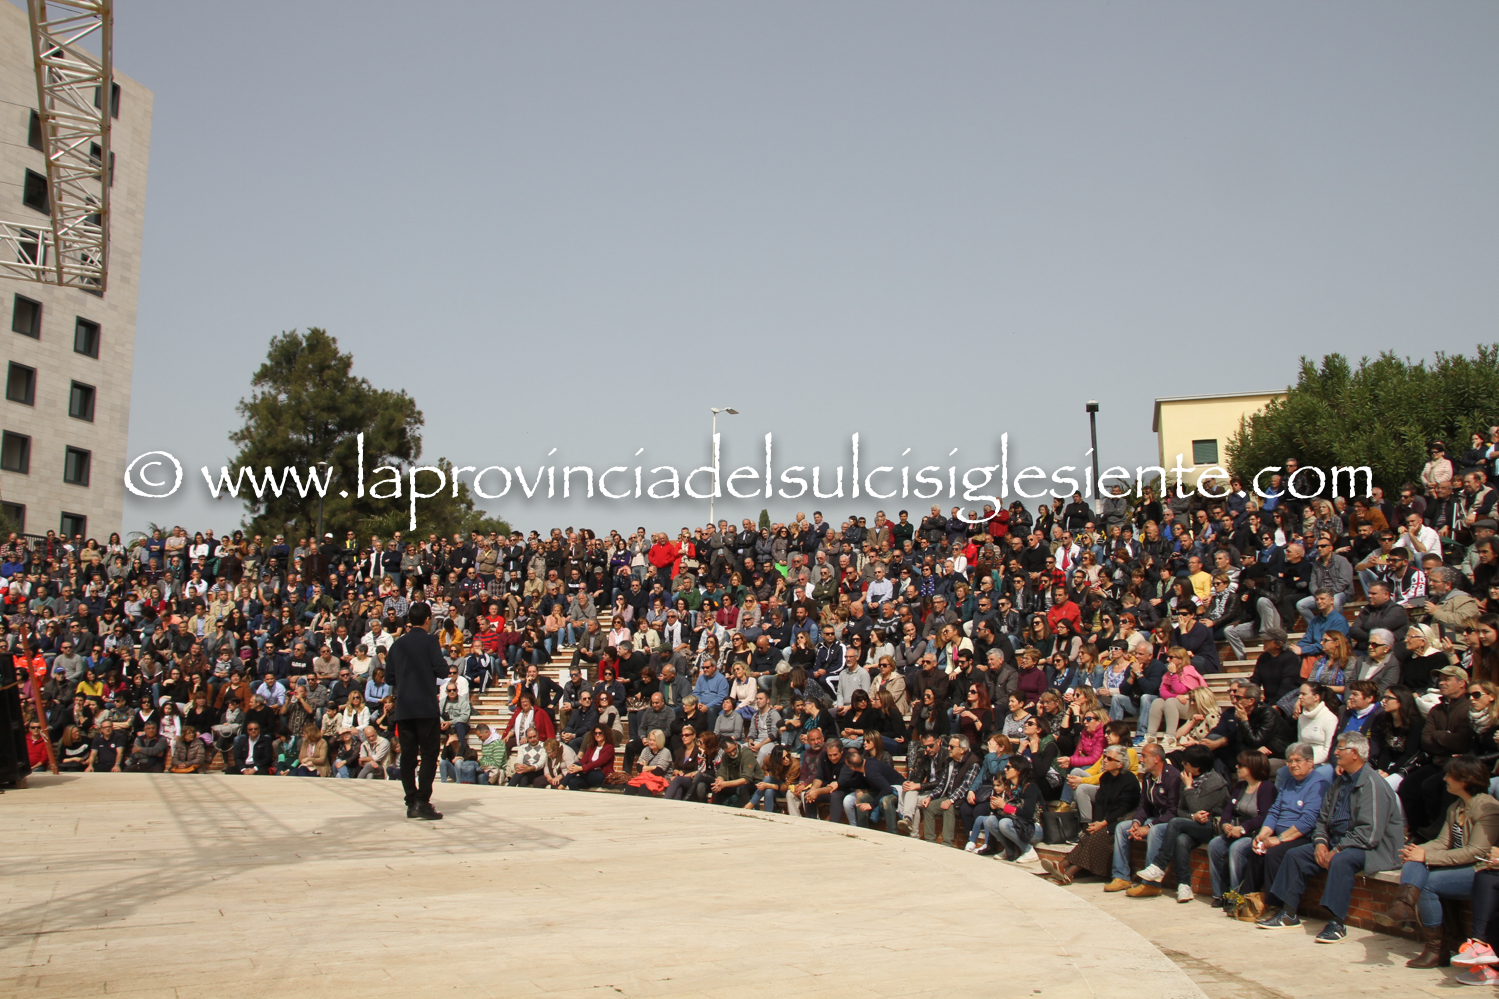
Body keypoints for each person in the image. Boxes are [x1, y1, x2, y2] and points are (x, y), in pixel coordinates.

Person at [1256, 732, 1405, 943]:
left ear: (1355, 753)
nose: (1335, 753)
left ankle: (1337, 923)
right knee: (1295, 855)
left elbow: (1369, 833)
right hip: (1337, 841)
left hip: (1371, 847)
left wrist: (1337, 849)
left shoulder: (1373, 784)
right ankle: (1288, 913)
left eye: (1340, 748)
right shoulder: (1340, 782)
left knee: (1341, 861)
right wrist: (1320, 843)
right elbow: (1322, 820)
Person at [1375, 755, 1499, 967]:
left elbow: (1476, 852)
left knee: (1427, 884)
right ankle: (1403, 905)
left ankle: (1436, 949)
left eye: (1450, 775)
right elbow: (1443, 842)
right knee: (1414, 861)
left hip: (1479, 871)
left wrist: (1426, 855)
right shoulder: (1456, 807)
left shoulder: (1488, 808)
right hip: (1459, 866)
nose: (1445, 779)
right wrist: (1417, 851)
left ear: (1465, 780)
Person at [1129, 744, 1229, 901]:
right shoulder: (1187, 776)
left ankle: (1159, 865)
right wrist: (1192, 817)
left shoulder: (1216, 784)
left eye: (1186, 762)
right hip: (1192, 824)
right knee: (1181, 840)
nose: (1182, 764)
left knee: (1174, 823)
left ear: (1198, 766)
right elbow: (1181, 810)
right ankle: (1184, 885)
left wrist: (1189, 788)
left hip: (1212, 827)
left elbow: (1197, 808)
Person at [385, 601, 447, 820]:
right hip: (425, 707)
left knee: (408, 757)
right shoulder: (430, 641)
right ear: (428, 619)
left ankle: (411, 802)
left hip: (404, 708)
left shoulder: (398, 644)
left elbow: (389, 677)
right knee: (429, 755)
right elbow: (442, 670)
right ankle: (422, 801)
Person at [1044, 746, 1140, 885]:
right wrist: (1097, 822)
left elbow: (1124, 808)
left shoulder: (1129, 780)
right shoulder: (1106, 777)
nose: (1104, 760)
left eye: (1109, 758)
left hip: (1121, 821)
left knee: (1096, 837)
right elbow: (1100, 802)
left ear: (1120, 764)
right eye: (1105, 757)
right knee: (1091, 833)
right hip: (1106, 819)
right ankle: (1062, 868)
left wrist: (1104, 823)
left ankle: (1066, 872)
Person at [1107, 742, 1181, 893]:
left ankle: (1151, 884)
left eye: (1144, 756)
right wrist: (1137, 822)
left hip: (1171, 822)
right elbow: (1144, 805)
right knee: (1122, 828)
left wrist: (1148, 827)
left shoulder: (1173, 777)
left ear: (1156, 759)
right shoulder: (1148, 777)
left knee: (1154, 831)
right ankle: (1121, 876)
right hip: (1154, 819)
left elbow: (1173, 811)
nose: (1141, 760)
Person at [1205, 751, 1276, 907]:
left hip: (1254, 833)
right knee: (1215, 845)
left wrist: (1243, 829)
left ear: (1253, 767)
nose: (1236, 767)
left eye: (1241, 765)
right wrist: (1225, 824)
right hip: (1236, 830)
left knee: (1236, 849)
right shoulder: (1241, 786)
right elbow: (1228, 810)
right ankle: (1220, 894)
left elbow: (1265, 816)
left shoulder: (1267, 788)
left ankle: (1237, 897)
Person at [978, 755, 1043, 862]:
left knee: (1005, 823)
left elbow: (1028, 814)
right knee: (991, 820)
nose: (1005, 770)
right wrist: (994, 808)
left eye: (1008, 767)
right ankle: (1010, 850)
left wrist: (1005, 806)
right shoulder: (1010, 788)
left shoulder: (1030, 787)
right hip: (1019, 826)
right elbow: (1006, 813)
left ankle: (1028, 851)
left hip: (1034, 828)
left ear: (1018, 770)